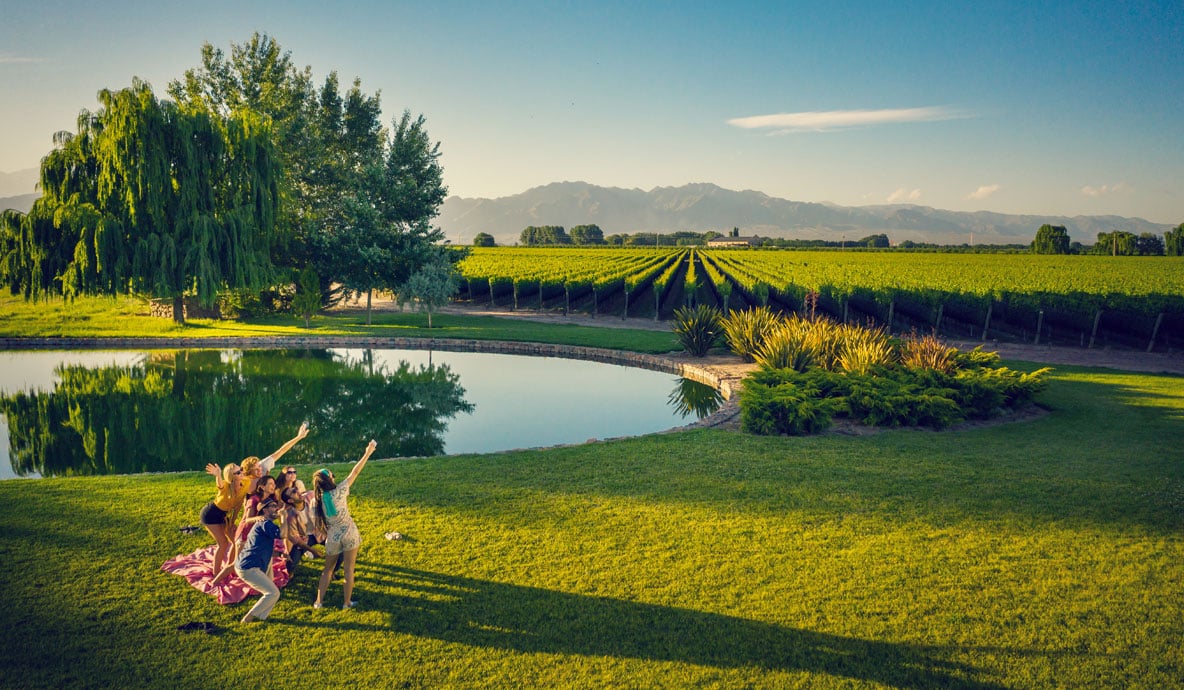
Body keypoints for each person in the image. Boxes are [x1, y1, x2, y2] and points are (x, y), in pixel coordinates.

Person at [313, 440, 377, 610]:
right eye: (332, 475)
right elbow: (355, 471)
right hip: (349, 533)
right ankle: (346, 603)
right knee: (349, 570)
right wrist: (368, 452)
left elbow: (317, 523)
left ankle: (318, 602)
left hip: (332, 537)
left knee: (327, 570)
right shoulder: (340, 490)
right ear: (330, 480)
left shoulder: (317, 500)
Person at [233, 497, 284, 624]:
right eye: (273, 506)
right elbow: (283, 534)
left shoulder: (263, 524)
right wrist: (284, 517)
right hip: (248, 567)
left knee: (271, 588)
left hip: (251, 564)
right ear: (265, 511)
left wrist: (280, 554)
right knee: (273, 593)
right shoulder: (265, 524)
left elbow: (263, 547)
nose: (276, 508)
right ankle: (247, 619)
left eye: (276, 506)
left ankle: (261, 616)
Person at [199, 462, 249, 577]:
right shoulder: (226, 485)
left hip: (224, 516)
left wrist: (232, 522)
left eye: (241, 469)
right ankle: (216, 573)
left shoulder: (245, 484)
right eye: (238, 472)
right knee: (223, 543)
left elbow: (237, 507)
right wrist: (218, 475)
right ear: (231, 477)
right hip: (210, 514)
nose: (241, 472)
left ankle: (229, 567)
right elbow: (220, 485)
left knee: (236, 541)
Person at [240, 423, 310, 494]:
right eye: (256, 469)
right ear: (248, 473)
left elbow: (281, 451)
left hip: (273, 493)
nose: (260, 470)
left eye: (259, 467)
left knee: (299, 484)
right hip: (257, 498)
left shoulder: (263, 466)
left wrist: (298, 437)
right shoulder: (243, 481)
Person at [280, 486, 322, 567]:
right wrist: (312, 550)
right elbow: (295, 538)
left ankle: (332, 570)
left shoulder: (311, 496)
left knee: (340, 550)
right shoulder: (290, 516)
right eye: (294, 492)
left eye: (296, 489)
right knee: (291, 563)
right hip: (305, 538)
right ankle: (288, 573)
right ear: (290, 500)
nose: (298, 492)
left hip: (321, 531)